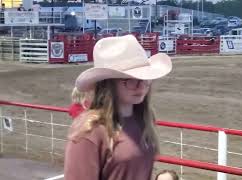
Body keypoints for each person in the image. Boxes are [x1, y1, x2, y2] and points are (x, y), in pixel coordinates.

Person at [64, 35, 172, 180]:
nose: (141, 86)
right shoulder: (90, 131)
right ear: (109, 83)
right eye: (131, 80)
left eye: (145, 78)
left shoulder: (144, 119)